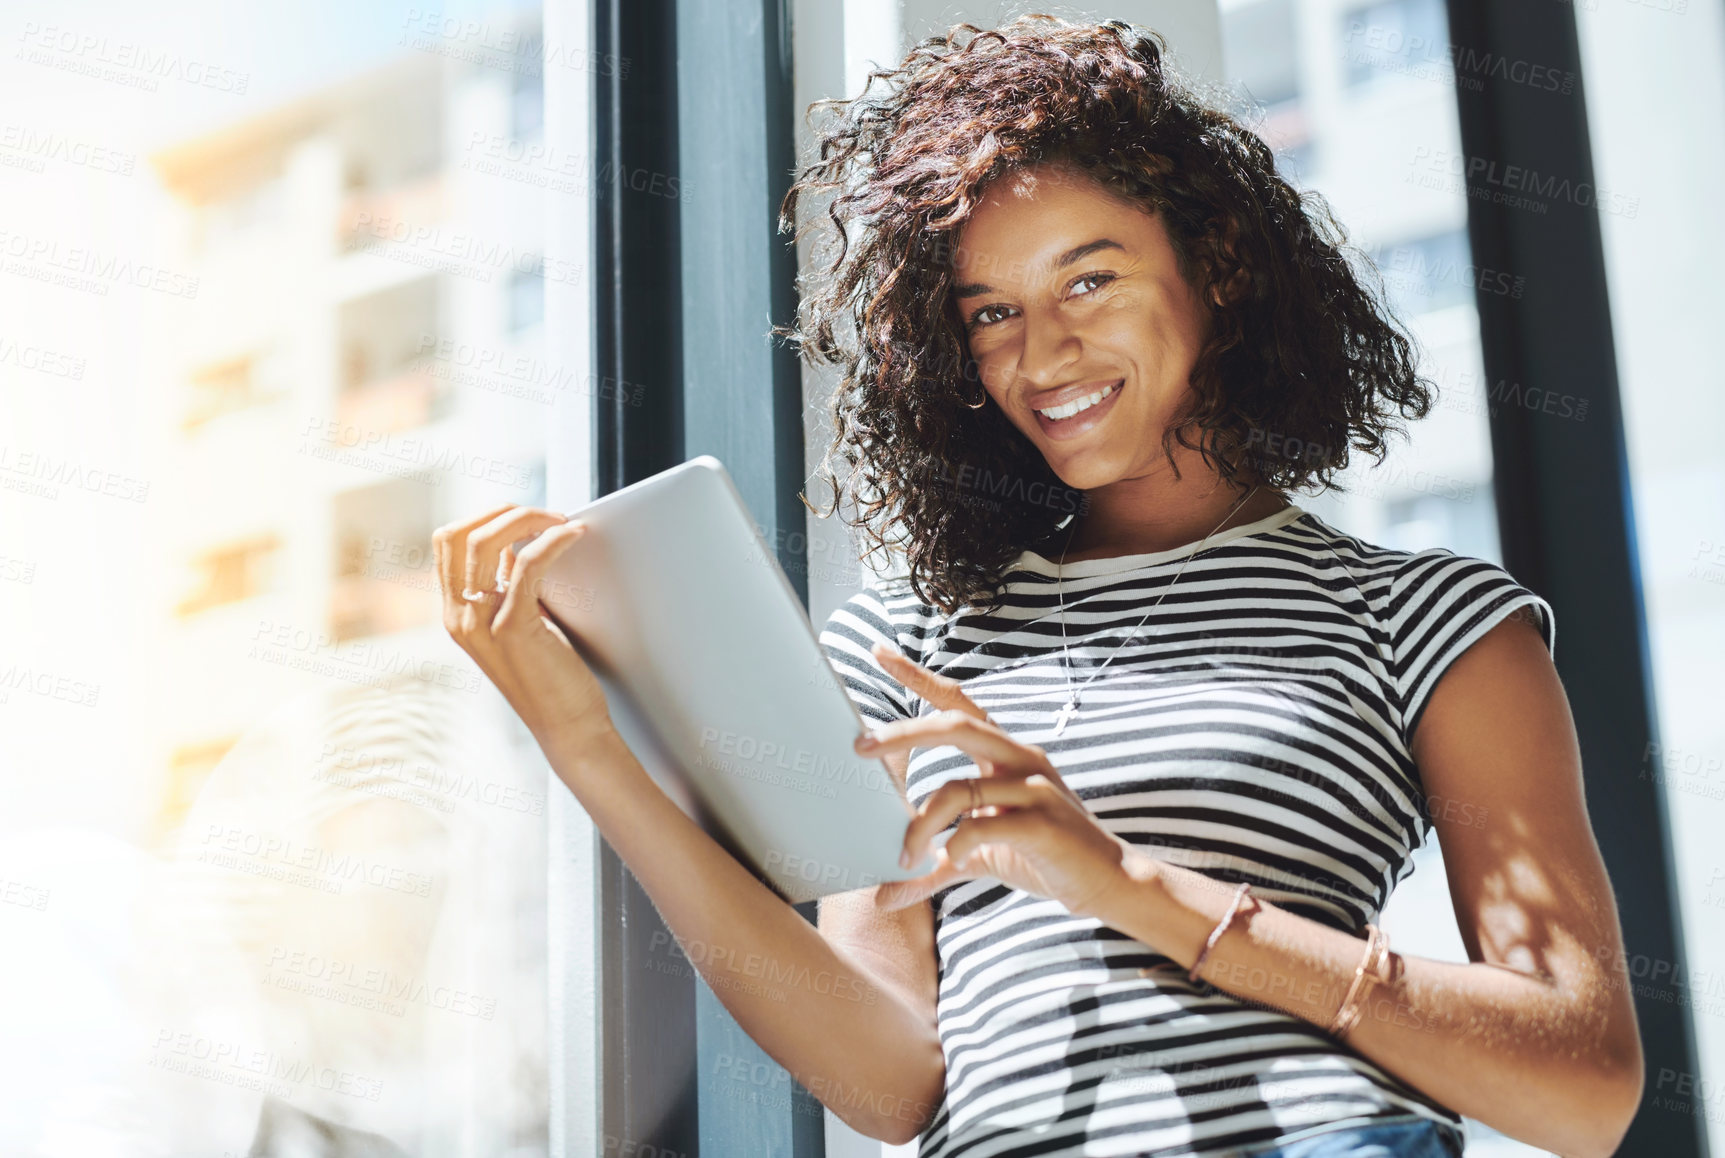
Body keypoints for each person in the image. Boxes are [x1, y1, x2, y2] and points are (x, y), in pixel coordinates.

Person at [434, 16, 1642, 1158]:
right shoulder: (905, 642)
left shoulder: (1425, 620)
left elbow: (1583, 1086)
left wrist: (1127, 886)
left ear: (1216, 268)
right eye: (994, 313)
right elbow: (890, 1081)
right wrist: (591, 751)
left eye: (1090, 281)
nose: (1043, 355)